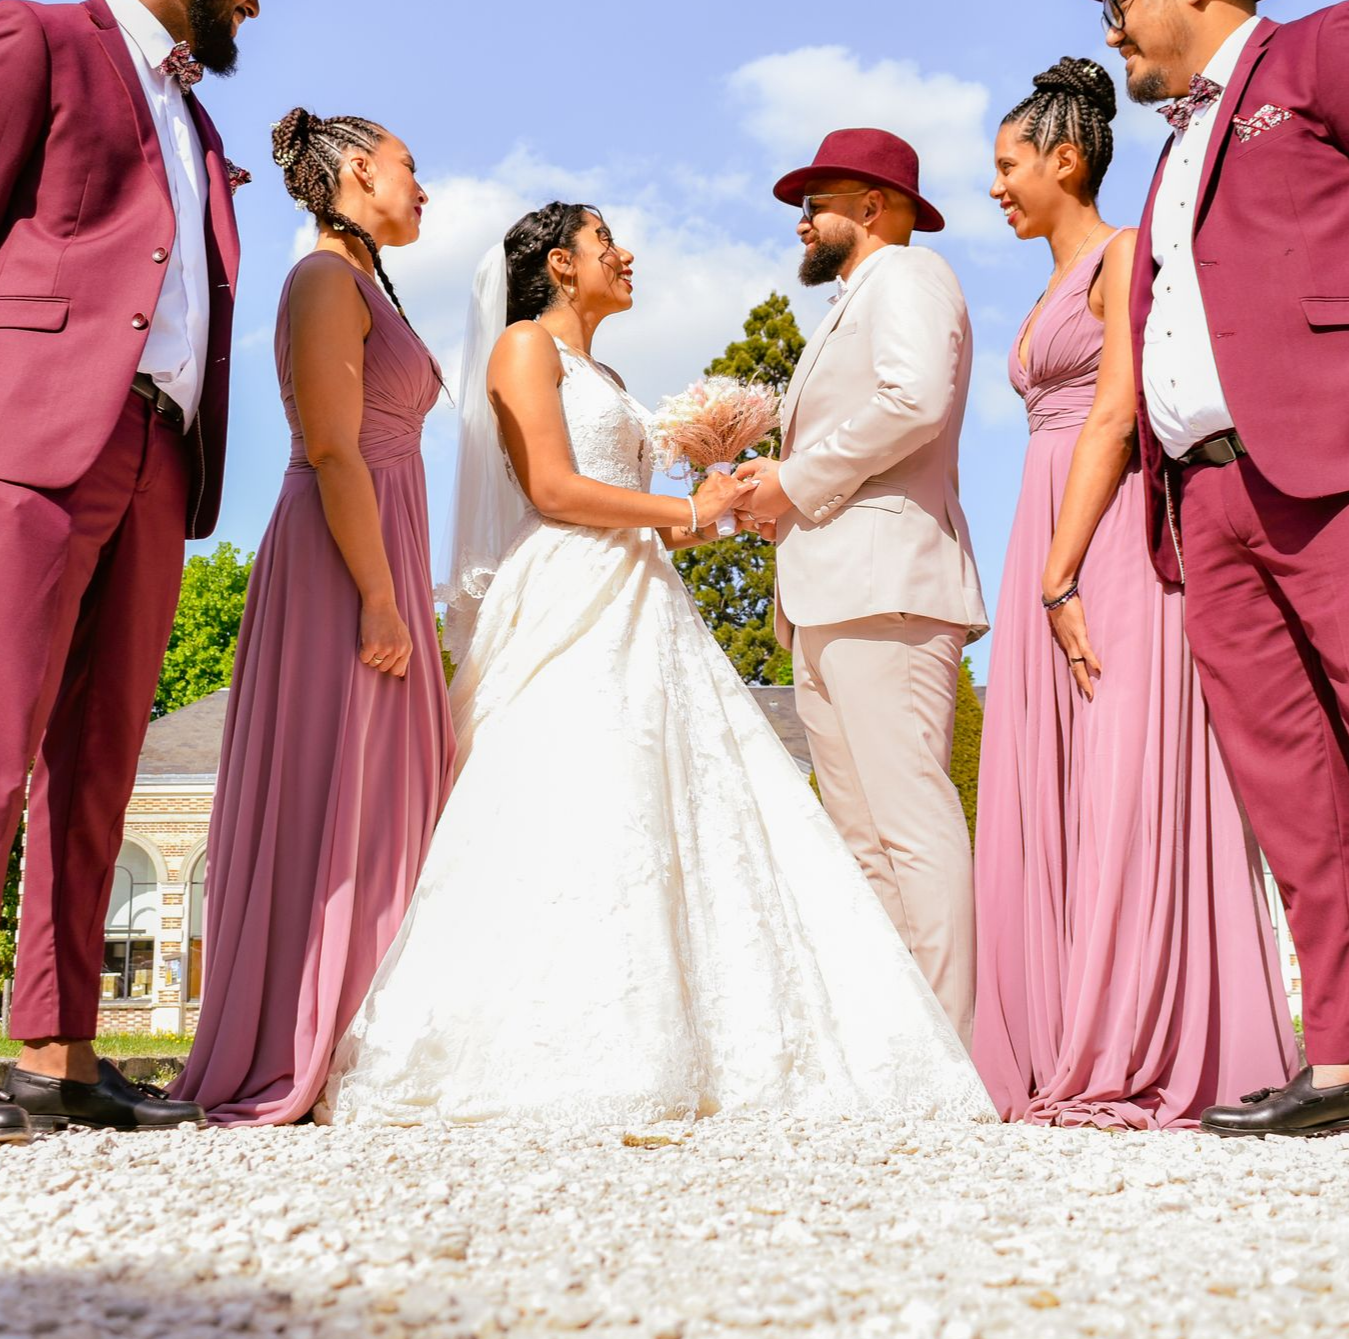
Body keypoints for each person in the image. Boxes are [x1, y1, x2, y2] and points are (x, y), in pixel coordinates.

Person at [319, 204, 997, 1127]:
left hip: (642, 592)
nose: (625, 254)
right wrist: (690, 514)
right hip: (569, 594)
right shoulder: (524, 347)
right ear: (560, 264)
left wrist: (714, 496)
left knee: (667, 802)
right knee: (571, 794)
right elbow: (556, 490)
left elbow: (625, 493)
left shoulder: (608, 370)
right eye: (606, 243)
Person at [0, 0, 296, 1144]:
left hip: (157, 456)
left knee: (99, 772)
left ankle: (63, 1052)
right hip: (26, 441)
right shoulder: (36, 40)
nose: (253, 3)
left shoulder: (198, 122)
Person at [1079, 0, 1349, 1136]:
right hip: (1208, 496)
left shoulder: (1328, 49)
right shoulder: (1169, 143)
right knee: (1291, 791)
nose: (1109, 28)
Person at [971, 57, 1297, 1127]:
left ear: (1066, 160)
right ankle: (1058, 1028)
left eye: (1009, 165)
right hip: (1042, 529)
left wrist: (1064, 577)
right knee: (1048, 777)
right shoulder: (1040, 287)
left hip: (1104, 535)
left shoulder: (1124, 257)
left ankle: (1139, 1036)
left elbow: (1116, 412)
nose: (997, 187)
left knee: (1124, 771)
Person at [170, 111, 453, 1125]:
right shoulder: (325, 280)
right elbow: (335, 448)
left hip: (381, 545)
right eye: (410, 170)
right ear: (356, 176)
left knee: (386, 787)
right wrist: (380, 593)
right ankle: (301, 1034)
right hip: (343, 555)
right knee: (340, 784)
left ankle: (365, 1025)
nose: (424, 189)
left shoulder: (366, 282)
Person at [735, 129, 988, 1046]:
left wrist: (794, 482)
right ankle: (898, 1047)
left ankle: (952, 1051)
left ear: (872, 208)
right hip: (828, 591)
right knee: (859, 837)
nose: (801, 224)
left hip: (888, 585)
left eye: (815, 205)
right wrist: (775, 492)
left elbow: (914, 402)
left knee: (910, 819)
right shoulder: (852, 301)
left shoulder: (911, 279)